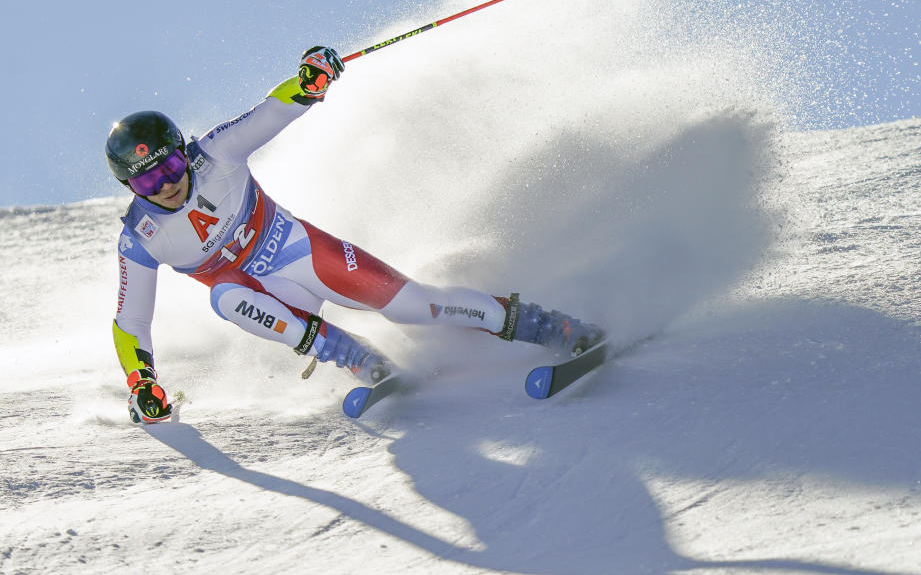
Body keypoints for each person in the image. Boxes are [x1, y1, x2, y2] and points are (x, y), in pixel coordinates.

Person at [108, 45, 603, 424]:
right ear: (130, 186)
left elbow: (270, 112)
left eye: (169, 165)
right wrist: (142, 383)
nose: (168, 183)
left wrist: (309, 81)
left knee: (414, 307)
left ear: (182, 150)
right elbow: (131, 321)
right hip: (267, 295)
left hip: (302, 251)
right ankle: (356, 357)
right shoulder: (142, 236)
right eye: (148, 180)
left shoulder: (215, 154)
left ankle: (554, 328)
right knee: (225, 298)